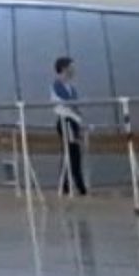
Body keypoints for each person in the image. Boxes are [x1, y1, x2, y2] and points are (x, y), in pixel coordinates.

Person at [51, 56, 87, 196]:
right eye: (71, 67)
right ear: (64, 68)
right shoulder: (56, 86)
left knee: (74, 153)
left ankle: (71, 184)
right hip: (65, 121)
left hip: (73, 121)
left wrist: (79, 120)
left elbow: (75, 107)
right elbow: (65, 105)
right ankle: (73, 185)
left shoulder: (71, 88)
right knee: (70, 153)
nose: (73, 70)